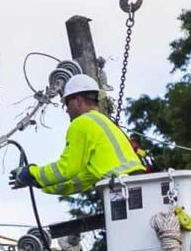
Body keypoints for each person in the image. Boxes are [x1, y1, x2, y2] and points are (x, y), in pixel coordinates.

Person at [8, 74, 144, 195]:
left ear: (78, 101)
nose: (66, 111)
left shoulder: (81, 123)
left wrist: (32, 172)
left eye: (67, 104)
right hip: (140, 183)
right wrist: (39, 183)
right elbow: (78, 181)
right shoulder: (104, 122)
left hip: (124, 188)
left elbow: (66, 169)